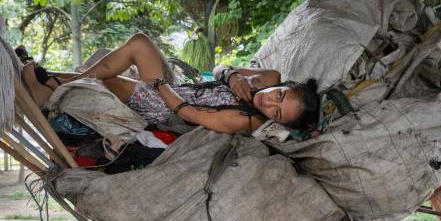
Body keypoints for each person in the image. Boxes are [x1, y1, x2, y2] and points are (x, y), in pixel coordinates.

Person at [22, 33, 319, 134]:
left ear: (275, 122)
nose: (268, 102)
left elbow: (189, 114)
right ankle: (53, 82)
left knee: (132, 53)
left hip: (169, 108)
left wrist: (160, 85)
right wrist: (232, 75)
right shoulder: (269, 78)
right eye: (279, 96)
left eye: (276, 113)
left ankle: (53, 84)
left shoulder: (248, 121)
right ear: (285, 85)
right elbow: (218, 68)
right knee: (119, 67)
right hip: (179, 89)